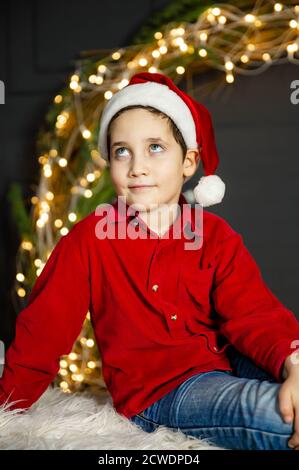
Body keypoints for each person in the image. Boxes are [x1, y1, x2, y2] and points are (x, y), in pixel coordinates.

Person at [1, 72, 299, 450]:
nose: (137, 166)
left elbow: (254, 313)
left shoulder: (214, 235)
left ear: (188, 162)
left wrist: (293, 363)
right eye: (122, 151)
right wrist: (6, 404)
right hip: (161, 391)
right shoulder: (91, 239)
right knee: (271, 411)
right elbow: (43, 331)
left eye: (155, 147)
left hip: (226, 361)